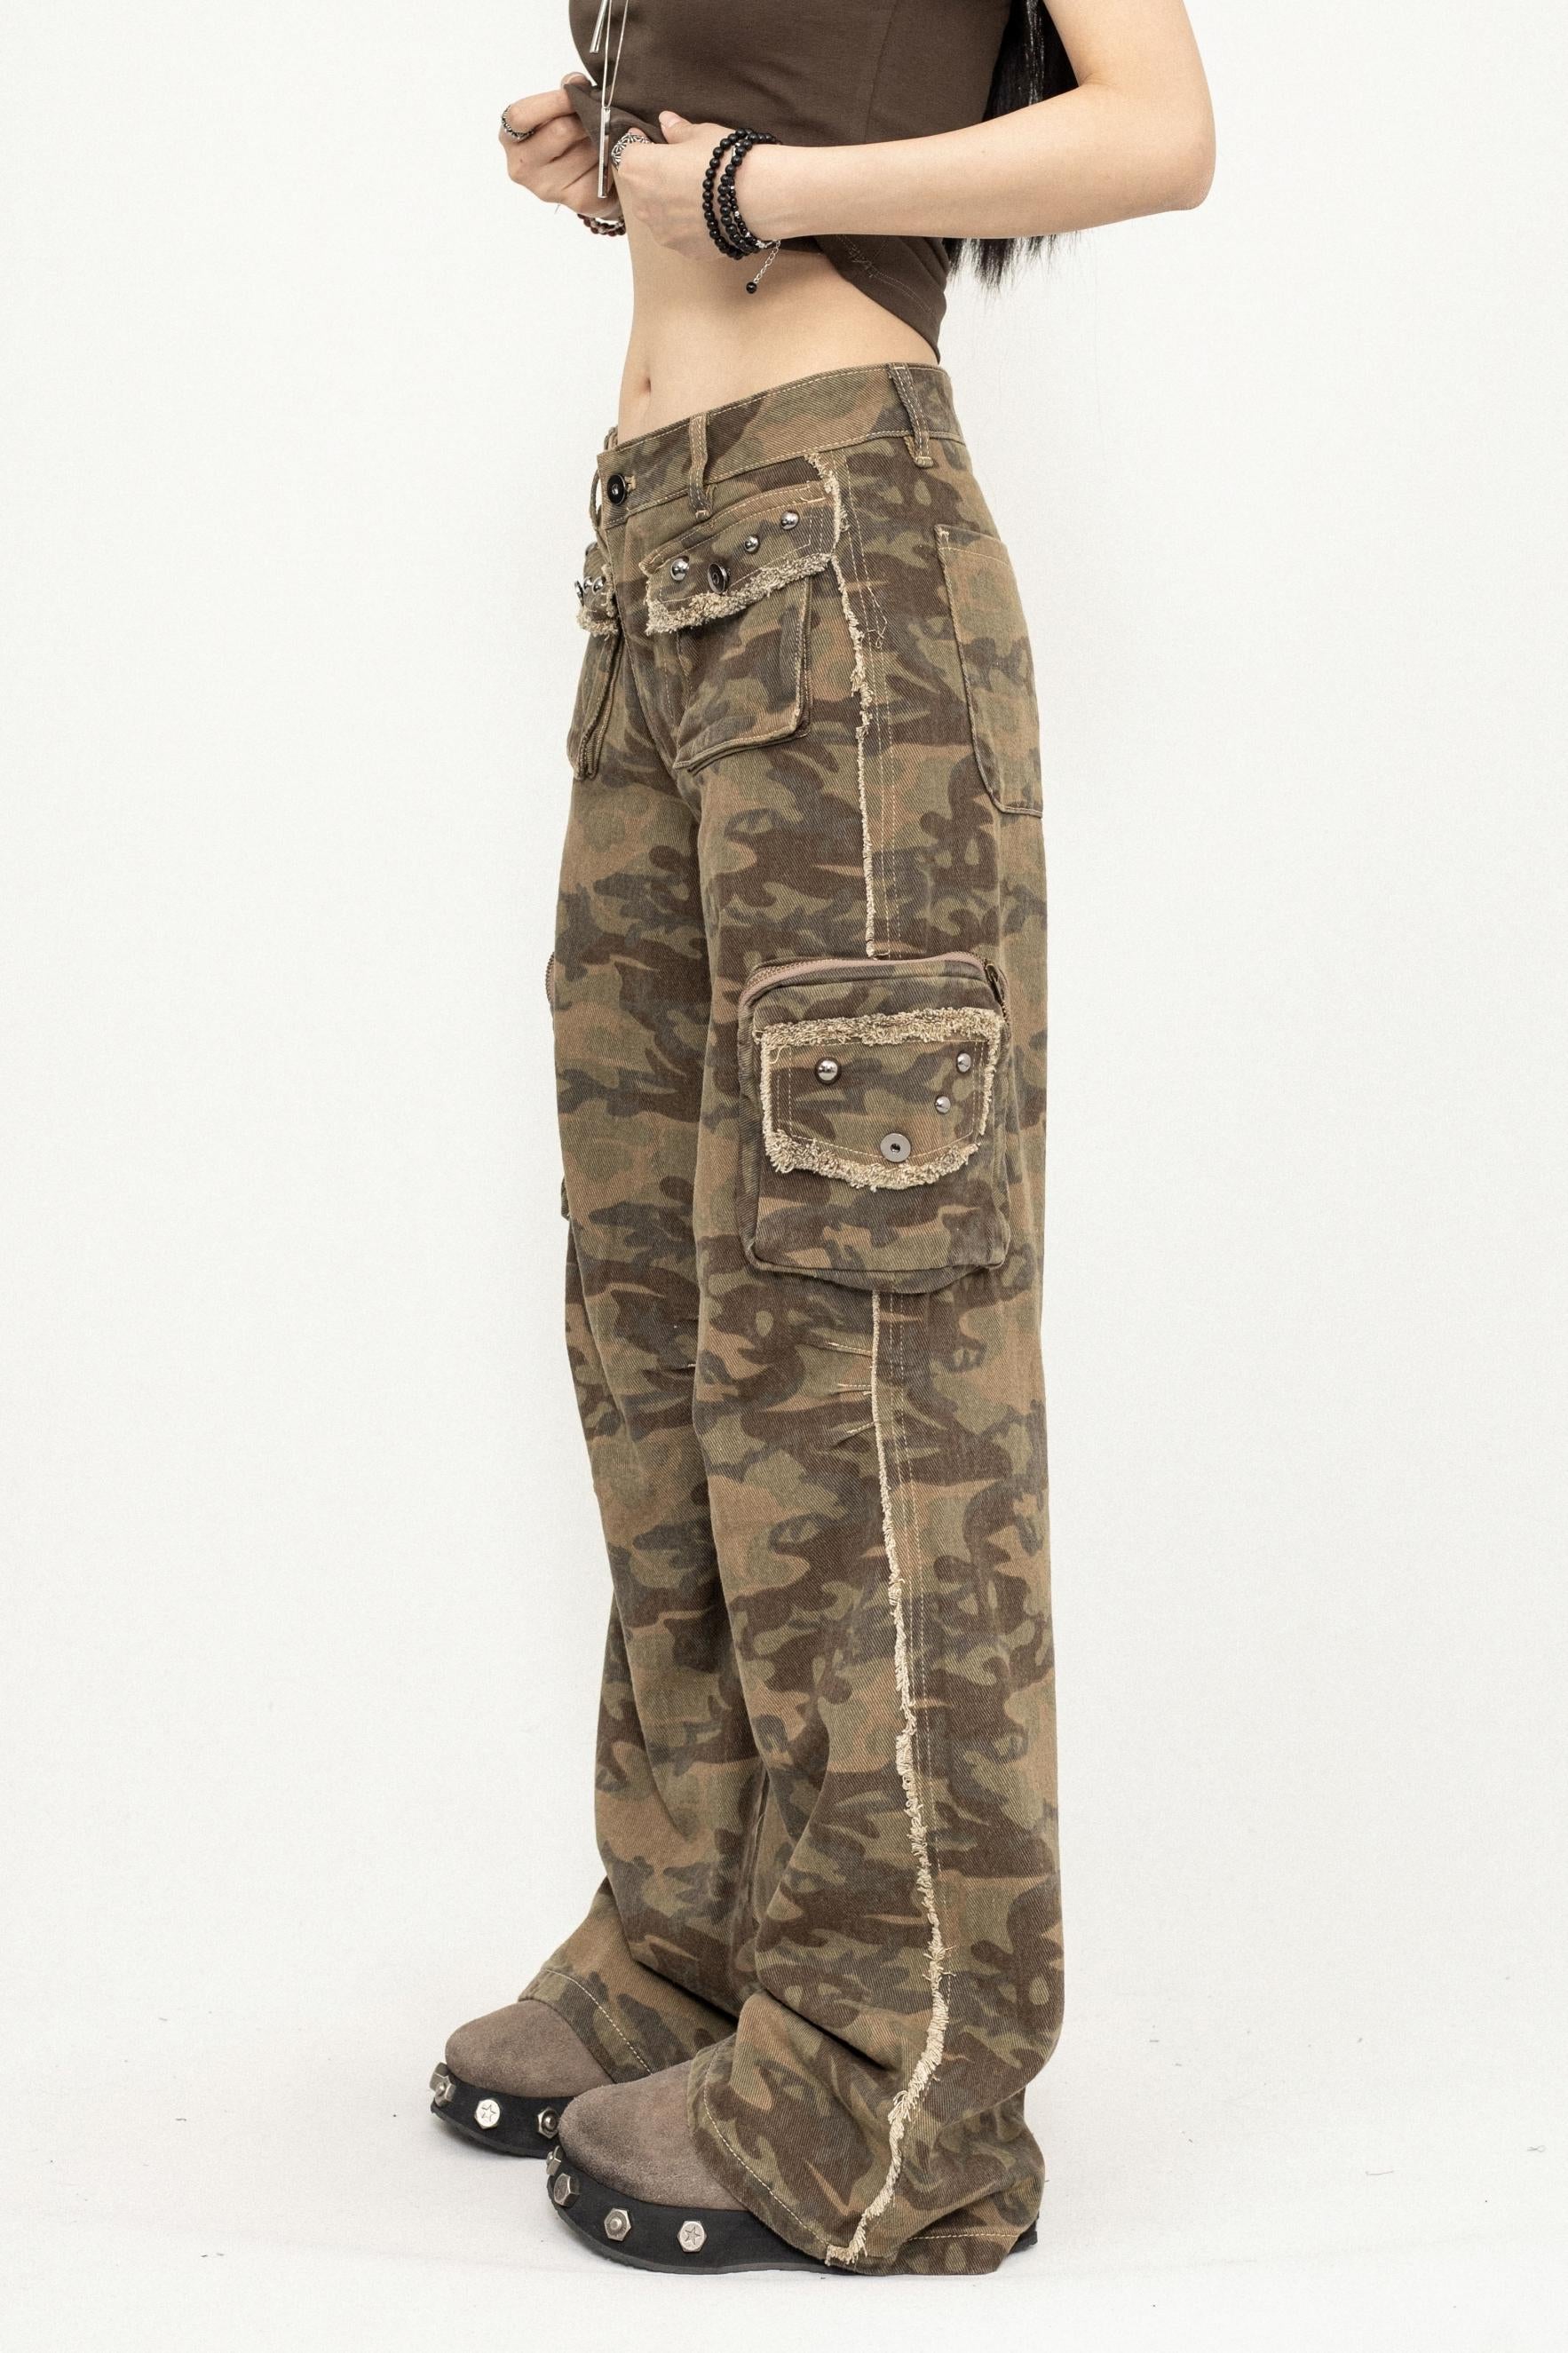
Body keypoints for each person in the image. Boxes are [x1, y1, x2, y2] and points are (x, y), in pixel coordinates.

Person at [427, 0, 1214, 2278]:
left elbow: (1157, 132)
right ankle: (699, 1939)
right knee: (657, 1308)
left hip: (842, 569)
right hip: (664, 565)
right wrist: (625, 160)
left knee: (859, 1349)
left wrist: (764, 192)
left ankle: (896, 2077)